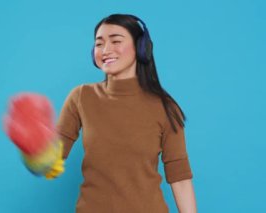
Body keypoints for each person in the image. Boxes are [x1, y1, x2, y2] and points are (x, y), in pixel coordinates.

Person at [55, 14, 197, 212]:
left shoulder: (165, 106)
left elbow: (179, 176)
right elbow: (53, 156)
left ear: (141, 48)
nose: (105, 50)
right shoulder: (81, 97)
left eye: (116, 41)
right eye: (99, 43)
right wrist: (32, 146)